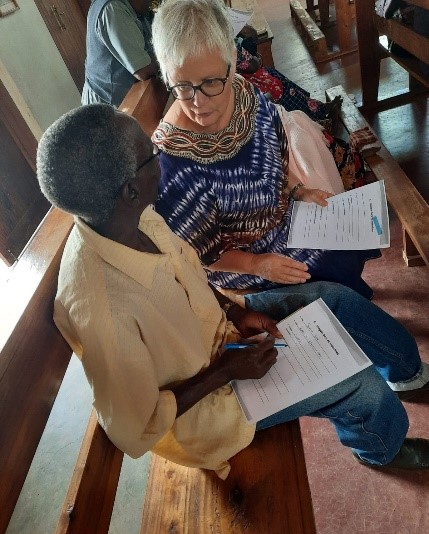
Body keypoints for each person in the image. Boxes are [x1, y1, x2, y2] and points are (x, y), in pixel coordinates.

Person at [36, 103, 429, 480]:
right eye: (151, 155)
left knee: (335, 299)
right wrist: (225, 370)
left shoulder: (131, 217)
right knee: (358, 384)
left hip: (220, 332)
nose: (160, 158)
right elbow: (134, 431)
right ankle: (381, 448)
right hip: (207, 404)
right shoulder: (103, 310)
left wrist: (235, 311)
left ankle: (409, 376)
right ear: (130, 190)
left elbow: (188, 274)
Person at [151, 0, 379, 300]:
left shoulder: (243, 92)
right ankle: (349, 309)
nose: (198, 102)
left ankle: (354, 306)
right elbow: (202, 254)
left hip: (279, 216)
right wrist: (258, 265)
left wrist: (298, 191)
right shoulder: (171, 162)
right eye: (182, 86)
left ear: (233, 60)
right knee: (324, 261)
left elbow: (272, 160)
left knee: (343, 226)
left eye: (211, 82)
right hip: (241, 257)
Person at [235, 25, 342, 129]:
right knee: (277, 86)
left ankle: (319, 109)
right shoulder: (229, 47)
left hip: (241, 80)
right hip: (241, 87)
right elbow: (253, 65)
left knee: (274, 76)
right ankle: (318, 123)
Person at [82, 0, 159, 107]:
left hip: (121, 96)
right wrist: (170, 57)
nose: (150, 3)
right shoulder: (113, 8)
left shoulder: (131, 8)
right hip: (107, 102)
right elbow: (143, 70)